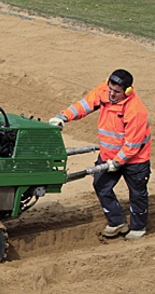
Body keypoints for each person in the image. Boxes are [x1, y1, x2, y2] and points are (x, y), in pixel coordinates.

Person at [49, 69, 151, 240]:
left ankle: (138, 228)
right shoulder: (104, 91)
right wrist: (63, 116)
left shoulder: (136, 111)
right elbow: (84, 105)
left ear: (127, 91)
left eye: (116, 92)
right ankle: (117, 221)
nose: (111, 94)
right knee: (101, 185)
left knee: (137, 193)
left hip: (135, 160)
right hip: (108, 154)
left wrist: (117, 162)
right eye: (110, 88)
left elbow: (132, 145)